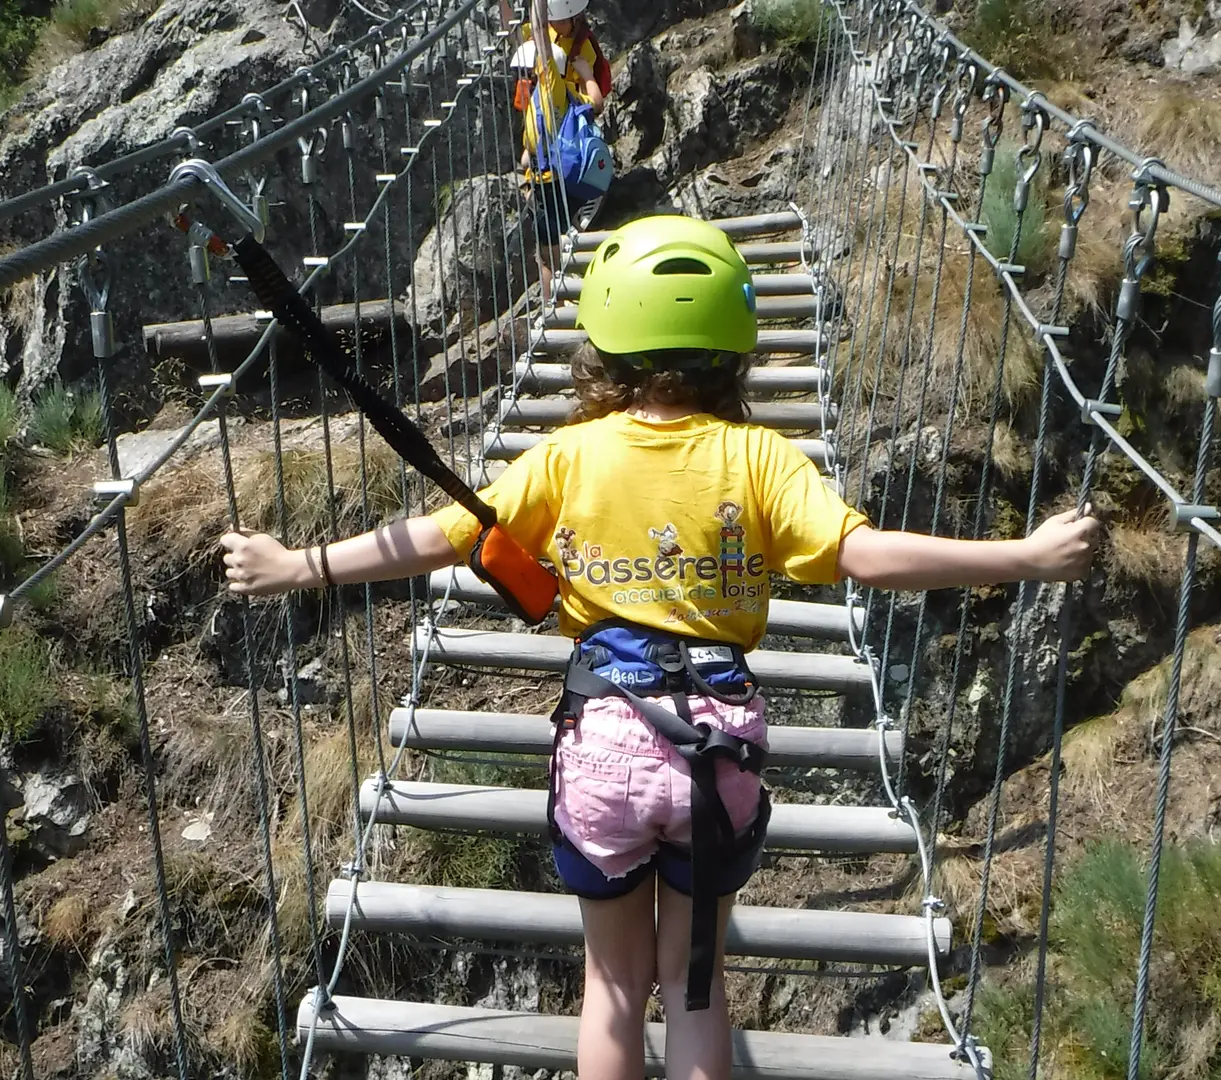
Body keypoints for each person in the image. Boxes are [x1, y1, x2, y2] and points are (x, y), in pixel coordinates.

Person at [218, 216, 1104, 1080]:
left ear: (603, 348)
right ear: (735, 350)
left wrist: (300, 566)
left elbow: (438, 538)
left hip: (605, 740)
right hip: (717, 751)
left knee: (611, 987)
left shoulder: (567, 457)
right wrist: (1024, 557)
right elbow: (866, 557)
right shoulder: (762, 458)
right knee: (694, 989)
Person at [502, 0, 610, 304]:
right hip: (560, 175)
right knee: (552, 246)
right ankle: (561, 300)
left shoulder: (551, 86)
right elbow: (595, 103)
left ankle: (554, 307)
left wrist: (538, 4)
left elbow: (537, 32)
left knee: (547, 253)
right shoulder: (560, 93)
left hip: (548, 180)